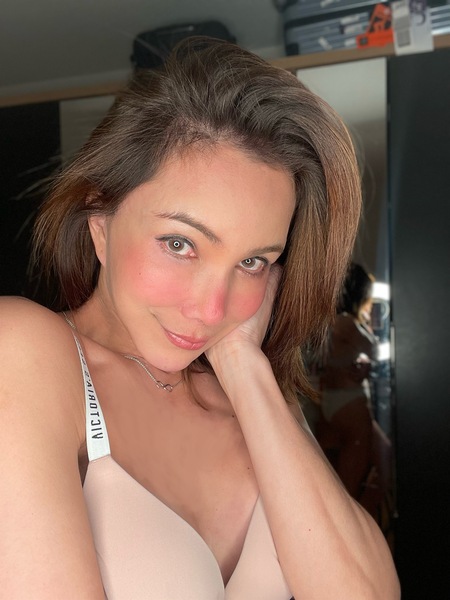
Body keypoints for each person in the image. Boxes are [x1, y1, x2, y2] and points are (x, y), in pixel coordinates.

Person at [0, 38, 399, 599]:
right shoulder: (23, 350)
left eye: (252, 261)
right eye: (180, 244)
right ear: (100, 223)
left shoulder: (254, 400)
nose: (211, 309)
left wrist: (243, 367)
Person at [316, 263, 393, 522]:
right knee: (348, 489)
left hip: (336, 402)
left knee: (384, 458)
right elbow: (375, 348)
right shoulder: (347, 322)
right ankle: (354, 526)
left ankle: (364, 523)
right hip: (351, 405)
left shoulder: (331, 324)